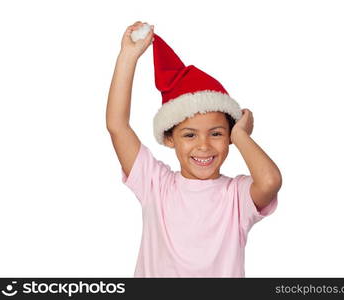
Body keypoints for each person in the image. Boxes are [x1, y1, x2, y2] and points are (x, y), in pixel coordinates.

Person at [106, 21, 282, 277]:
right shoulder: (155, 184)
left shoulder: (236, 196)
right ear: (170, 139)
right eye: (189, 134)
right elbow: (117, 126)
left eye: (217, 133)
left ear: (229, 136)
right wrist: (128, 56)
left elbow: (269, 182)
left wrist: (241, 135)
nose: (203, 146)